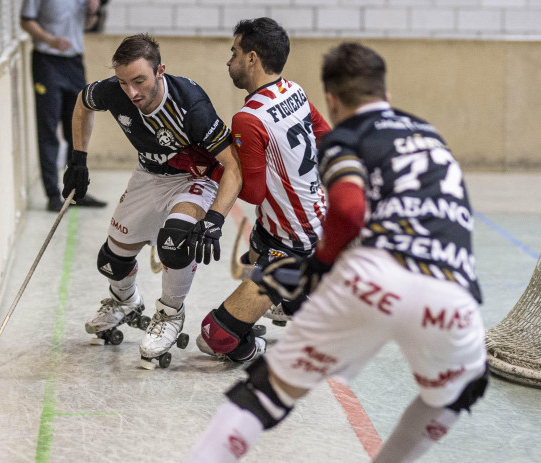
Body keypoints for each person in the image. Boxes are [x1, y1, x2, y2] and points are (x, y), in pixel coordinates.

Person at [186, 42, 488, 462]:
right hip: (453, 296)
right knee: (458, 392)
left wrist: (320, 268)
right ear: (385, 92)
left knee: (261, 399)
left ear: (332, 98)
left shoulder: (349, 137)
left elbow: (347, 208)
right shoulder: (429, 134)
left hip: (373, 279)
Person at [64, 34, 243, 369]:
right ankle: (125, 302)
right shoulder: (113, 92)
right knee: (111, 260)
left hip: (194, 178)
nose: (131, 92)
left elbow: (233, 164)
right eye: (123, 82)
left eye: (139, 81)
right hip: (148, 175)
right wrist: (78, 159)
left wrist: (216, 218)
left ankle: (170, 314)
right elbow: (82, 103)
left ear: (160, 71)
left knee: (174, 240)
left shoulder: (192, 106)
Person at [195, 18, 330, 363]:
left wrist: (214, 165)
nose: (229, 61)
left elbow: (253, 193)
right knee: (249, 260)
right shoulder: (294, 90)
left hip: (295, 243)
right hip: (301, 223)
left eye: (234, 52)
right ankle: (295, 299)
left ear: (252, 58)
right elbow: (326, 135)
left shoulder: (249, 117)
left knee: (216, 337)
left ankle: (296, 305)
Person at [20, 0, 107, 211]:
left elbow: (85, 26)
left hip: (74, 62)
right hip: (47, 61)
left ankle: (75, 192)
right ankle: (52, 194)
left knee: (76, 128)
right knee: (48, 128)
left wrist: (92, 13)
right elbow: (26, 21)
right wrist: (50, 40)